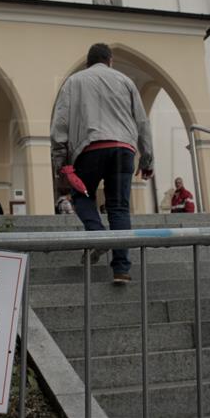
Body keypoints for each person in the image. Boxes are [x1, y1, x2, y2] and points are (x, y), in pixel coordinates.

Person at [51, 43, 154, 285]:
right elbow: (142, 121)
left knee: (82, 196)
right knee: (119, 207)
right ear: (110, 60)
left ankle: (98, 235)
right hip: (123, 149)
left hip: (89, 149)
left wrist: (60, 163)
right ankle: (121, 269)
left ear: (88, 62)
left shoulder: (73, 82)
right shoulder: (125, 81)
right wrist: (147, 158)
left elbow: (60, 125)